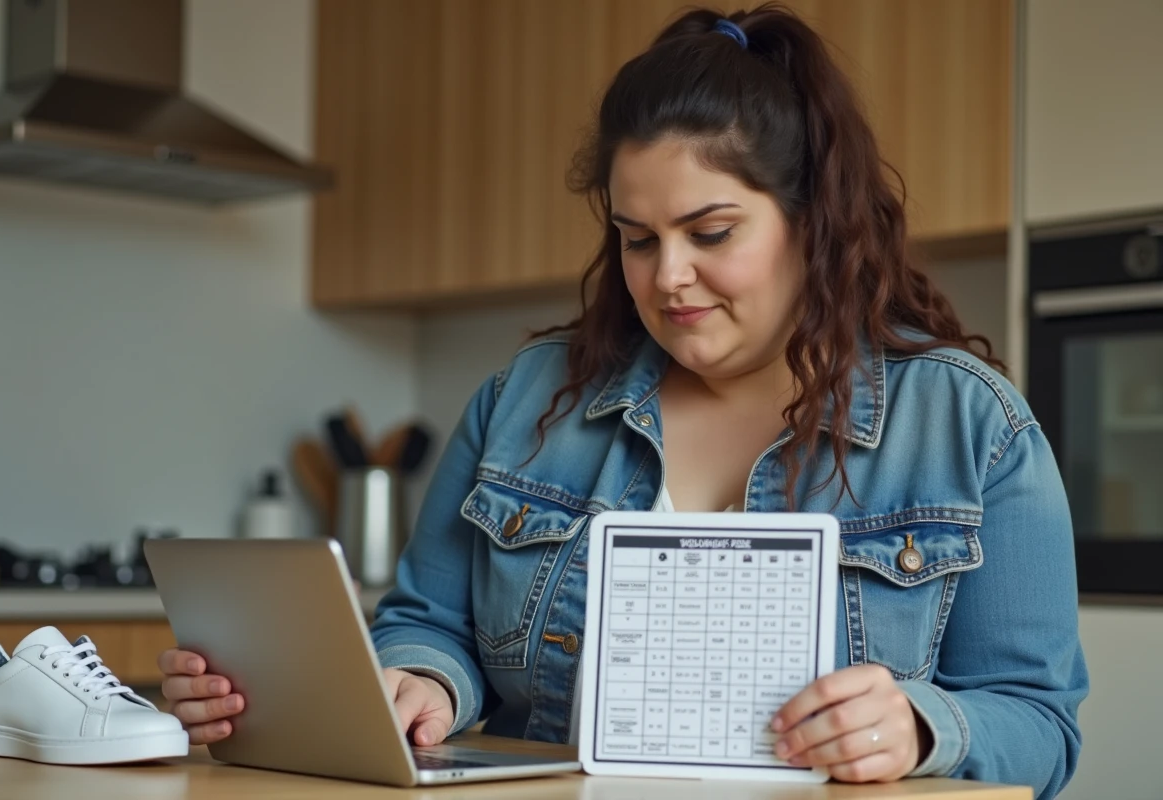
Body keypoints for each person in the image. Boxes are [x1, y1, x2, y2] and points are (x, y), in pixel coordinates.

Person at [157, 5, 1086, 798]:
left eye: (710, 231)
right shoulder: (526, 399)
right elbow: (427, 624)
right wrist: (424, 687)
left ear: (815, 220)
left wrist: (922, 730)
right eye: (637, 238)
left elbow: (1041, 724)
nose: (668, 278)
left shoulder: (973, 426)